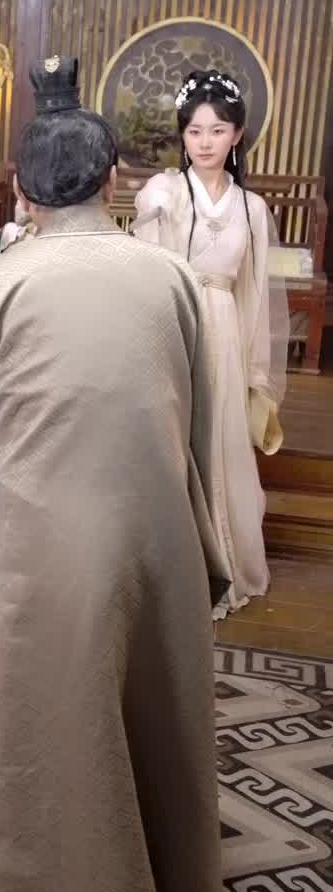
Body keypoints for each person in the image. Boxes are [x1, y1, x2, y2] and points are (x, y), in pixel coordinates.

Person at [0, 61, 228, 892]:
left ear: (21, 186)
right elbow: (197, 430)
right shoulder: (170, 278)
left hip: (38, 547)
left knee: (34, 727)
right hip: (153, 534)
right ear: (113, 179)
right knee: (152, 709)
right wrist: (201, 547)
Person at [133, 68, 288, 617]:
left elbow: (255, 293)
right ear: (182, 134)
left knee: (218, 440)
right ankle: (166, 571)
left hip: (224, 329)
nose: (204, 142)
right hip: (175, 323)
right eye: (195, 130)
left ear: (237, 135)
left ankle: (221, 564)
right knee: (174, 442)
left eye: (217, 130)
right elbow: (146, 272)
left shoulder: (252, 208)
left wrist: (253, 366)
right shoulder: (164, 192)